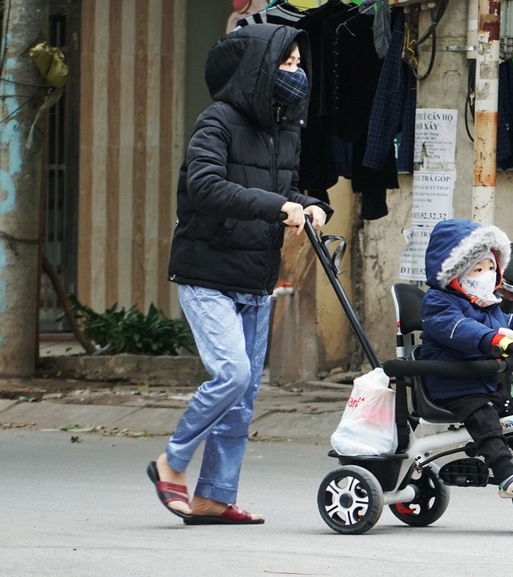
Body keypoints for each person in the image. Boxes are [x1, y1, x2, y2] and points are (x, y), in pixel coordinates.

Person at [146, 24, 332, 525]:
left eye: (299, 65)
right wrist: (279, 207)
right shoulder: (217, 121)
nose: (296, 74)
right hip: (206, 273)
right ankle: (172, 461)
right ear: (258, 71)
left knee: (243, 397)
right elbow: (205, 186)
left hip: (255, 277)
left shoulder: (285, 128)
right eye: (286, 64)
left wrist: (312, 206)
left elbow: (288, 189)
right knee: (232, 374)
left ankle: (213, 495)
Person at [419, 219, 513, 498]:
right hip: (453, 385)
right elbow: (459, 328)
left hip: (483, 382)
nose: (486, 275)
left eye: (491, 268)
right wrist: (491, 339)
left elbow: (509, 321)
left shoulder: (485, 302)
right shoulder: (439, 302)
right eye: (478, 269)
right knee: (486, 421)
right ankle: (506, 475)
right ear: (456, 273)